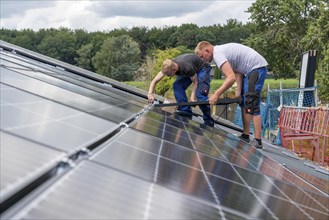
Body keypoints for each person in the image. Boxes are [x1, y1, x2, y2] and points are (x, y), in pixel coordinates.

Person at [195, 41, 268, 149]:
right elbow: (238, 72)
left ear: (207, 50)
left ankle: (258, 141)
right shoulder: (220, 52)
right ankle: (246, 135)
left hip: (256, 68)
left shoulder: (218, 54)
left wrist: (216, 94)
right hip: (249, 71)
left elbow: (231, 78)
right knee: (244, 102)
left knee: (251, 102)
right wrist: (238, 93)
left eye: (202, 56)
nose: (203, 59)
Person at [148, 53, 215, 127]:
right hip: (191, 70)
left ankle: (208, 120)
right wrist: (150, 94)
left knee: (200, 95)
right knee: (177, 85)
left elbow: (195, 82)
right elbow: (155, 81)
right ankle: (186, 111)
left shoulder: (187, 67)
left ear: (173, 69)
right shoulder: (168, 66)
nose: (167, 76)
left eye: (168, 74)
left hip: (202, 69)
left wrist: (192, 97)